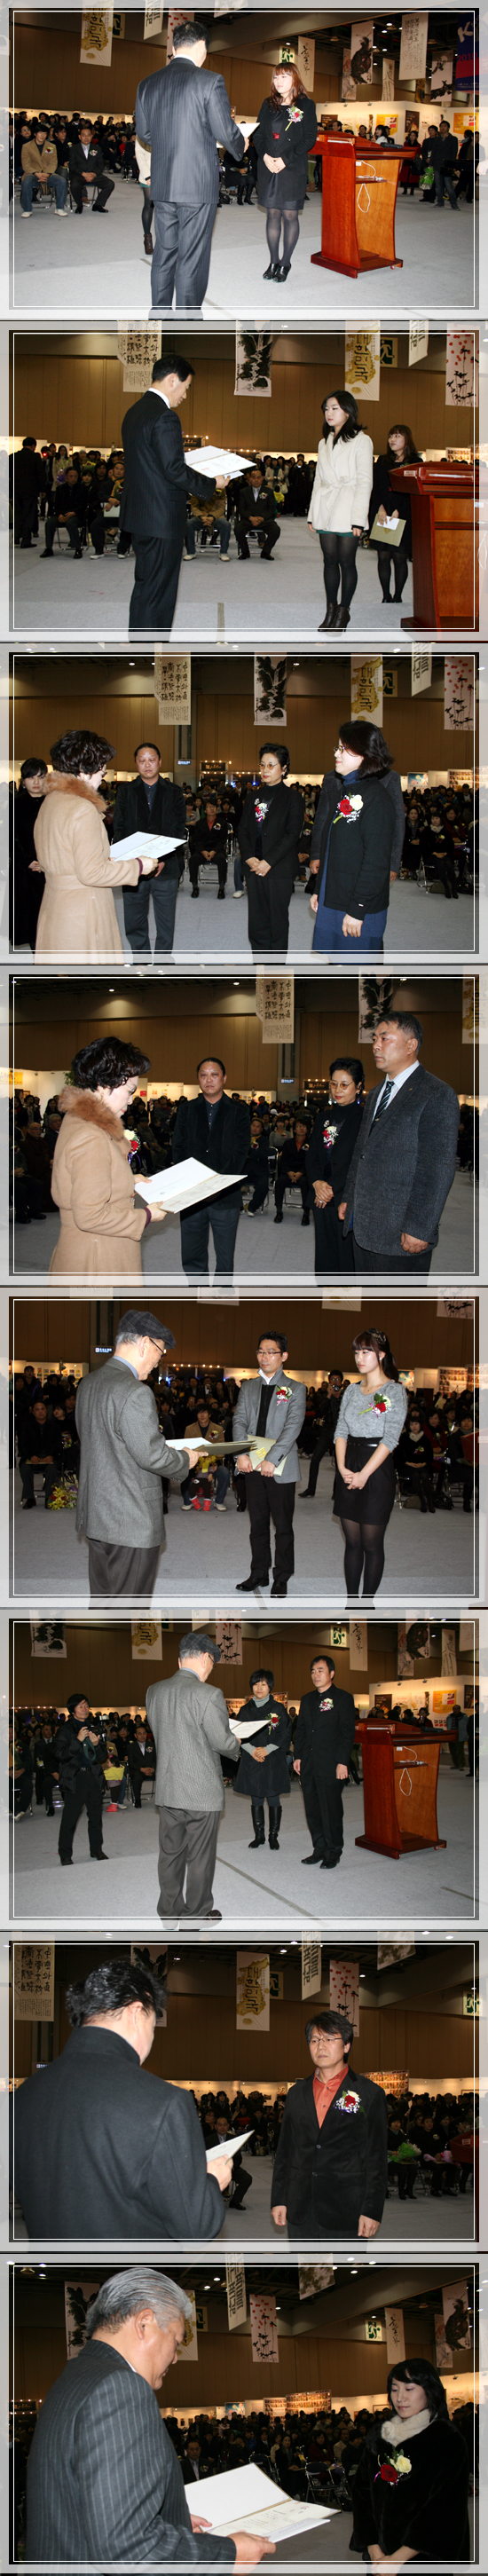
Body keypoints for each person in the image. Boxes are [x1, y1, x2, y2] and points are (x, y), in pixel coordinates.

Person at [26, 2266, 272, 2567]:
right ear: (144, 2323)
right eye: (177, 2341)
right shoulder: (121, 2387)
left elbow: (84, 2506)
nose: (176, 2357)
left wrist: (172, 2520)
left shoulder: (74, 2377)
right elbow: (125, 2547)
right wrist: (228, 2554)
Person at [14, 1957, 233, 2240]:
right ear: (136, 2012)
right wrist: (212, 2180)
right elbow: (195, 2226)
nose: (152, 2038)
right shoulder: (164, 2102)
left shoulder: (23, 2095)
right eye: (153, 2026)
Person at [75, 1309, 200, 1598]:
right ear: (145, 1344)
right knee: (128, 1608)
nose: (158, 1361)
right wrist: (187, 1458)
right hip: (130, 1520)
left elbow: (108, 1444)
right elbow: (151, 1456)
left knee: (104, 1601)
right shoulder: (135, 1392)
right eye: (160, 1351)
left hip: (97, 1514)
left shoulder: (89, 1383)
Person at [135, 16, 245, 314]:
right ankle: (187, 322)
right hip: (197, 183)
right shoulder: (210, 81)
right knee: (192, 257)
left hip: (163, 182)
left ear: (174, 47)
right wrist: (241, 144)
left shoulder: (147, 84)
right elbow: (225, 132)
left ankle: (160, 315)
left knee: (164, 253)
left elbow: (145, 134)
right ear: (201, 47)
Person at [340, 1009, 460, 1273]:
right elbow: (362, 1152)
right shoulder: (375, 1094)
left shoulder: (436, 1093)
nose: (376, 1045)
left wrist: (420, 1227)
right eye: (374, 1039)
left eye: (385, 1038)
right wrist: (350, 1198)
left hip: (402, 1232)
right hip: (364, 1224)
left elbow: (437, 1168)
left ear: (411, 1045)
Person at [120, 353, 227, 634]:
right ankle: (152, 647)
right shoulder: (166, 416)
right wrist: (212, 483)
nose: (185, 395)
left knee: (146, 587)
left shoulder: (134, 411)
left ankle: (142, 645)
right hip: (161, 518)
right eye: (186, 387)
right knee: (160, 593)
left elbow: (155, 465)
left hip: (140, 515)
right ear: (171, 380)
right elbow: (174, 470)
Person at [48, 1036, 169, 1280]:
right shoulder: (92, 1135)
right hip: (97, 1258)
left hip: (93, 1249)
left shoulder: (81, 1120)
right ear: (104, 1085)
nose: (131, 1099)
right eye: (129, 1090)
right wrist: (146, 1215)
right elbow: (90, 1216)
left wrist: (127, 1179)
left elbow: (81, 1180)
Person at [33, 729, 157, 962]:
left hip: (55, 905)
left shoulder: (51, 801)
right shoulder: (82, 808)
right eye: (102, 771)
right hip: (83, 911)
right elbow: (91, 873)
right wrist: (140, 866)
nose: (103, 778)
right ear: (84, 771)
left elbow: (64, 856)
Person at [271, 2007, 388, 2237]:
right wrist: (279, 2199)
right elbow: (285, 2151)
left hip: (347, 2207)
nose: (320, 2046)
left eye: (329, 2039)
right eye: (315, 2040)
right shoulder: (296, 2093)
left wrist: (372, 2209)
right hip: (301, 2205)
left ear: (346, 2046)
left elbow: (376, 2157)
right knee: (305, 2262)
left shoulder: (369, 2093)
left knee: (345, 2262)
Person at [146, 1631, 238, 1921]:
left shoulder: (154, 1691)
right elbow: (222, 1742)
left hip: (169, 1788)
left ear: (180, 1660)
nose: (211, 1669)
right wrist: (236, 1742)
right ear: (206, 1658)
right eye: (213, 1663)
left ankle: (169, 1913)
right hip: (201, 1791)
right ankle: (195, 1916)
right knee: (199, 1856)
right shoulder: (208, 1694)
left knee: (170, 1853)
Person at [350, 2357, 470, 2564]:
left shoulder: (446, 2440)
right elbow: (362, 2493)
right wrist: (374, 2550)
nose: (400, 2398)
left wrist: (398, 2559)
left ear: (429, 2391)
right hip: (379, 2556)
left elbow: (444, 2509)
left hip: (424, 2558)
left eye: (409, 2389)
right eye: (394, 2389)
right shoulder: (380, 2436)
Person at [309, 720, 395, 954]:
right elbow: (331, 848)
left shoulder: (377, 798)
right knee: (337, 966)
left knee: (356, 969)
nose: (336, 754)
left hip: (358, 905)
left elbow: (376, 861)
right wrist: (319, 889)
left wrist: (358, 908)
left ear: (365, 753)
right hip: (336, 895)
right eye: (337, 747)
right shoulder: (347, 793)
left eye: (343, 748)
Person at [335, 1328, 407, 1601]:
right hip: (348, 1463)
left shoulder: (394, 1391)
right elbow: (341, 1430)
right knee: (352, 1543)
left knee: (372, 1543)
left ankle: (367, 1606)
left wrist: (364, 1474)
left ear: (382, 1354)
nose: (359, 1357)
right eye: (357, 1351)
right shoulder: (352, 1390)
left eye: (366, 1351)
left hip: (376, 1468)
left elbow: (390, 1438)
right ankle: (352, 1603)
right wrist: (342, 1467)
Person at [233, 1331, 306, 1597]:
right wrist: (241, 1453)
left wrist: (271, 1459)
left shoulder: (295, 1388)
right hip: (251, 1465)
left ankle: (282, 1576)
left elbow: (292, 1427)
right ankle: (259, 1573)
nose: (265, 1357)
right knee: (258, 1525)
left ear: (283, 1356)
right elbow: (239, 1420)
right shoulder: (248, 1387)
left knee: (283, 1526)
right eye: (261, 1352)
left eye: (271, 1352)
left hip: (280, 1467)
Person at [170, 1059, 250, 1280]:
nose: (209, 1079)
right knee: (192, 1251)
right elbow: (179, 1148)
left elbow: (240, 1153)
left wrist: (217, 1185)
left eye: (214, 1074)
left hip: (225, 1194)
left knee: (225, 1254)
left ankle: (222, 1293)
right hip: (192, 1193)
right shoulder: (186, 1110)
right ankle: (197, 1291)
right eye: (203, 1075)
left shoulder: (239, 1111)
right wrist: (195, 1184)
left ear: (224, 1078)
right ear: (198, 1079)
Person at [112, 741, 187, 957]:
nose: (147, 765)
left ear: (160, 762)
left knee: (166, 921)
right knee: (134, 919)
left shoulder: (174, 792)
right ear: (136, 763)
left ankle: (163, 963)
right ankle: (141, 961)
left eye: (152, 760)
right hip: (134, 866)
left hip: (167, 866)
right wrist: (136, 860)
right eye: (142, 760)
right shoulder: (125, 792)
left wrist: (161, 859)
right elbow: (120, 828)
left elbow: (177, 829)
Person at [308, 391, 374, 633]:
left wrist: (359, 519)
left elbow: (365, 481)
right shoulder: (323, 442)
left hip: (348, 507)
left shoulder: (361, 440)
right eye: (326, 408)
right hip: (325, 507)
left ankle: (344, 611)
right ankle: (331, 609)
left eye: (334, 408)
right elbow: (318, 481)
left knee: (346, 562)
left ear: (348, 411)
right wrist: (313, 514)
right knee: (329, 561)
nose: (329, 413)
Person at [237, 744, 304, 957]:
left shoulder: (293, 798)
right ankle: (260, 964)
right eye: (262, 765)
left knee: (277, 920)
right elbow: (243, 829)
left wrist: (268, 862)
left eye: (271, 765)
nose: (265, 769)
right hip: (254, 867)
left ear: (284, 768)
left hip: (278, 869)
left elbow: (292, 834)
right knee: (257, 921)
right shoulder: (252, 797)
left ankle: (276, 968)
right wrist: (249, 857)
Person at [254, 60, 317, 283]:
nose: (278, 81)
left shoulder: (305, 105)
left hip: (291, 168)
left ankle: (285, 262)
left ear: (294, 79)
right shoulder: (268, 104)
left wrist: (284, 160)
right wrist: (265, 156)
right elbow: (258, 135)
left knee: (290, 215)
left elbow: (309, 138)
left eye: (284, 76)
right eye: (276, 77)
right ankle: (273, 261)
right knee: (272, 214)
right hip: (269, 167)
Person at [293, 1651, 356, 1868]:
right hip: (309, 1764)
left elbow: (347, 1733)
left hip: (331, 1764)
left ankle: (333, 1851)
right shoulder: (307, 1699)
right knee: (312, 1809)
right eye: (313, 1671)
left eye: (320, 1670)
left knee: (331, 1810)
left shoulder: (343, 1698)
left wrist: (343, 1762)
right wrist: (298, 1756)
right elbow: (301, 1731)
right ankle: (319, 1848)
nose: (316, 1675)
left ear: (332, 1673)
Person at [306, 1057, 365, 1275]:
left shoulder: (365, 1119)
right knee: (325, 1253)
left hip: (346, 1196)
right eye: (333, 1084)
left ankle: (345, 1296)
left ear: (358, 1087)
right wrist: (317, 1182)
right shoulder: (324, 1117)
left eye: (344, 1084)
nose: (337, 1090)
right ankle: (327, 1294)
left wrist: (330, 1187)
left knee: (347, 1256)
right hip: (320, 1196)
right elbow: (312, 1155)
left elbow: (360, 1162)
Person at [232, 1666, 292, 1851]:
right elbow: (237, 1734)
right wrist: (252, 1751)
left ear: (270, 1687)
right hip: (253, 1759)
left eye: (264, 1684)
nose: (259, 1688)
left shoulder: (277, 1709)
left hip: (272, 1759)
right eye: (256, 1684)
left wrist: (267, 1749)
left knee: (273, 1799)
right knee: (256, 1798)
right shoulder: (245, 1710)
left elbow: (285, 1733)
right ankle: (259, 1836)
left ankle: (273, 1836)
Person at [368, 421, 421, 607]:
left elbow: (414, 491)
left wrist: (399, 509)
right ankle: (386, 595)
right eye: (391, 436)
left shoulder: (415, 462)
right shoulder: (383, 461)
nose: (392, 439)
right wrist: (380, 507)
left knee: (399, 557)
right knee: (383, 556)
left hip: (404, 513)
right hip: (383, 513)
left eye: (397, 436)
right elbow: (375, 487)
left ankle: (398, 596)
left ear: (407, 439)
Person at [54, 1691, 106, 1866]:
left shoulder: (94, 1728)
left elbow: (102, 1756)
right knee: (70, 1819)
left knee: (96, 1817)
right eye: (80, 1706)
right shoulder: (65, 1730)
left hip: (93, 1776)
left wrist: (97, 1745)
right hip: (75, 1778)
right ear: (72, 1710)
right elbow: (61, 1755)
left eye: (86, 1706)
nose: (85, 1709)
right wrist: (77, 1740)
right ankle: (65, 1854)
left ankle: (96, 1850)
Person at [11, 760, 48, 949]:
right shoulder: (15, 805)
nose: (36, 782)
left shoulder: (53, 802)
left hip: (51, 866)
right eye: (31, 777)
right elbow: (10, 837)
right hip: (25, 869)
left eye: (40, 777)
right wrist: (27, 860)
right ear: (23, 780)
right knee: (30, 916)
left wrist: (48, 860)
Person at [299, 1370, 344, 1498]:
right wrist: (329, 1396)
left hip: (341, 1432)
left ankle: (337, 1492)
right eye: (333, 1379)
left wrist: (338, 1397)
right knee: (315, 1460)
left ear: (341, 1382)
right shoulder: (325, 1395)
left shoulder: (346, 1395)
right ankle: (311, 1489)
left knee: (339, 1463)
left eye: (337, 1379)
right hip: (327, 1431)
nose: (335, 1382)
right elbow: (320, 1412)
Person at [18, 1398, 63, 1509]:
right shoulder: (26, 1426)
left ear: (46, 1411)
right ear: (33, 1412)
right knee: (25, 1469)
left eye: (42, 1409)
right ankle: (30, 1498)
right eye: (37, 1410)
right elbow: (23, 1445)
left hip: (49, 1457)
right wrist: (31, 1456)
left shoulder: (54, 1426)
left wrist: (51, 1455)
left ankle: (49, 1497)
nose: (40, 1412)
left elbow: (58, 1444)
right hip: (32, 1457)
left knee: (52, 1469)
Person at [234, 465, 280, 566]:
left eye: (258, 477)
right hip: (248, 519)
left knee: (276, 530)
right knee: (238, 529)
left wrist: (262, 518)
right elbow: (241, 509)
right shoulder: (243, 492)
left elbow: (271, 509)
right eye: (253, 477)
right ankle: (245, 552)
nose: (256, 480)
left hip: (264, 520)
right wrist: (251, 518)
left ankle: (266, 552)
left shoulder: (268, 491)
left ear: (262, 478)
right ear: (250, 479)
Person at [20, 123, 69, 217]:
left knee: (62, 181)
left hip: (48, 173)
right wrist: (36, 173)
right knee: (26, 182)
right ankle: (27, 209)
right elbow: (26, 164)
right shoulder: (26, 146)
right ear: (35, 134)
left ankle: (59, 208)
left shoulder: (51, 146)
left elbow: (53, 162)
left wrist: (48, 173)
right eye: (40, 133)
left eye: (45, 133)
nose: (43, 135)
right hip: (32, 174)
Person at [69, 121, 114, 214]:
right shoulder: (74, 149)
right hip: (79, 175)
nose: (86, 137)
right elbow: (72, 165)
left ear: (92, 136)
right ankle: (79, 205)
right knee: (74, 185)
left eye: (88, 135)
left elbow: (101, 164)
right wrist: (83, 174)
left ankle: (98, 205)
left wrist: (93, 174)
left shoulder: (97, 148)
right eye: (84, 135)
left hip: (94, 174)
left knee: (110, 184)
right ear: (79, 137)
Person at [189, 800, 229, 901]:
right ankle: (195, 887)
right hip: (203, 850)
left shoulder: (222, 823)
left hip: (217, 850)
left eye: (214, 807)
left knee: (222, 861)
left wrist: (214, 852)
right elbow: (197, 840)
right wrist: (203, 851)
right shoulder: (199, 823)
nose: (212, 809)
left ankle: (221, 887)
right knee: (193, 860)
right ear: (205, 810)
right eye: (209, 807)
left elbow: (223, 840)